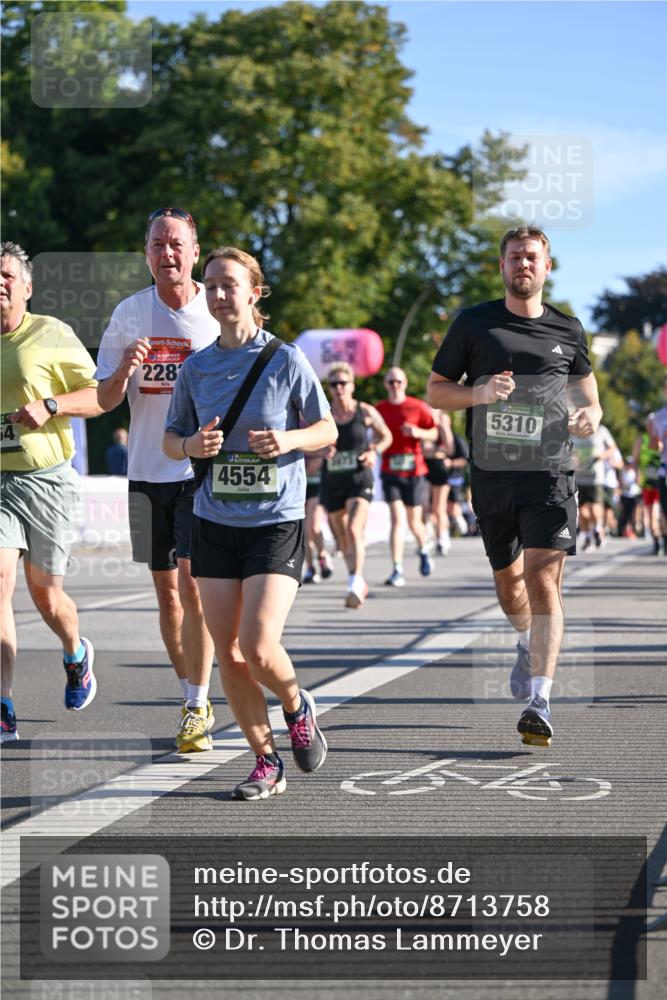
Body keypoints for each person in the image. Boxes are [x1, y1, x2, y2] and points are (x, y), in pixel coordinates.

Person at [163, 246, 337, 799]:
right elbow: (171, 440)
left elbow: (326, 428)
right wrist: (191, 444)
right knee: (229, 652)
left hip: (275, 519)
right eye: (210, 284)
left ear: (254, 293)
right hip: (213, 519)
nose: (217, 293)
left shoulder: (285, 360)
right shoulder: (195, 367)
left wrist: (286, 439)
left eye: (228, 284)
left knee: (257, 645)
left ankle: (296, 703)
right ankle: (266, 761)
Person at [428, 225, 602, 748]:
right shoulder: (474, 323)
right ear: (502, 267)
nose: (523, 264)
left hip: (551, 472)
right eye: (514, 257)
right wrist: (479, 392)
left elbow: (589, 396)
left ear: (548, 267)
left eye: (532, 257)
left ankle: (540, 700)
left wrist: (590, 415)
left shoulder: (568, 330)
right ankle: (526, 643)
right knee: (508, 582)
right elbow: (437, 392)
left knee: (543, 578)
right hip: (492, 475)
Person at [96, 208, 218, 753]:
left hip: (197, 470)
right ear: (146, 253)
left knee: (193, 586)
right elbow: (103, 399)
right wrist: (124, 368)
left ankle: (197, 703)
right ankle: (189, 692)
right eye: (155, 244)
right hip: (145, 472)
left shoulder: (214, 312)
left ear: (194, 251)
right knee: (167, 596)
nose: (165, 253)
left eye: (176, 244)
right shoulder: (129, 313)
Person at [1, 241, 103, 742]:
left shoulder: (50, 333)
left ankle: (75, 653)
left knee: (46, 596)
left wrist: (51, 404)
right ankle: (3, 704)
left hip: (45, 482)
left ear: (26, 286)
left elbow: (101, 396)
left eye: (6, 276)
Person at [320, 362, 392, 607]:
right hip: (333, 481)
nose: (339, 388)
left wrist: (374, 451)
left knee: (353, 528)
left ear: (352, 385)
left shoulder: (365, 411)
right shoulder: (324, 414)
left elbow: (387, 436)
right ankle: (355, 577)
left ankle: (355, 581)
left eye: (343, 383)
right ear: (329, 388)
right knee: (342, 538)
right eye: (334, 384)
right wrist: (321, 448)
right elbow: (307, 442)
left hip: (360, 478)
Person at [376, 367, 438, 586]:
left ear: (405, 383)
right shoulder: (379, 409)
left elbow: (434, 432)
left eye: (399, 382)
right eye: (391, 382)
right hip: (389, 469)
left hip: (414, 471)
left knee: (414, 521)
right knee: (397, 518)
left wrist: (417, 432)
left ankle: (423, 548)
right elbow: (372, 432)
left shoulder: (417, 406)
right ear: (385, 384)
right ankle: (397, 568)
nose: (395, 386)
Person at [570, 424, 619, 550]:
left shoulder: (601, 430)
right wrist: (572, 458)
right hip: (578, 476)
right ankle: (587, 535)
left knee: (594, 507)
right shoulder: (573, 428)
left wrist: (602, 456)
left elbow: (612, 447)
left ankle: (598, 529)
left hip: (595, 476)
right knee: (581, 510)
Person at [302, 454, 333, 584]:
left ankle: (322, 556)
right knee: (304, 531)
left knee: (313, 527)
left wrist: (319, 458)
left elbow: (330, 449)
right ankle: (310, 567)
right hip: (300, 486)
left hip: (319, 485)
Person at [633, 427, 665, 554]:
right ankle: (656, 542)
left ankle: (664, 539)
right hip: (648, 483)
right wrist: (637, 474)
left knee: (660, 514)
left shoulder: (663, 437)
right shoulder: (642, 439)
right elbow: (635, 460)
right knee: (651, 515)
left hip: (662, 482)